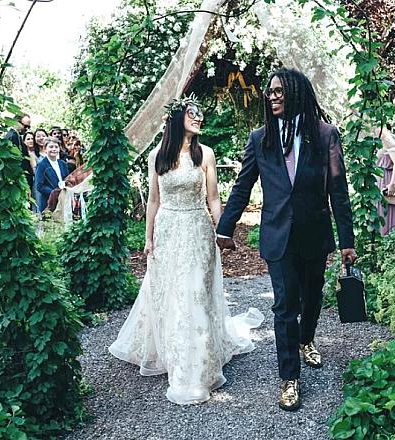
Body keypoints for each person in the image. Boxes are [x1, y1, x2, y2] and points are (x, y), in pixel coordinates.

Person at [216, 68, 356, 411]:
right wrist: (225, 227)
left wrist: (347, 241)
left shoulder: (325, 135)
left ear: (297, 92)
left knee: (311, 298)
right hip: (278, 235)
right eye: (270, 91)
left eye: (279, 91)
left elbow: (338, 190)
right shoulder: (259, 138)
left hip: (314, 234)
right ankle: (290, 378)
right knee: (283, 306)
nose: (272, 96)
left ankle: (307, 338)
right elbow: (242, 186)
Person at [109, 95, 264, 406]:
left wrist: (223, 231)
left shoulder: (205, 154)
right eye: (193, 113)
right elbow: (153, 200)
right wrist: (148, 237)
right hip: (167, 230)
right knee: (171, 293)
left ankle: (196, 363)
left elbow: (214, 199)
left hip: (196, 229)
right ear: (178, 116)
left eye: (200, 113)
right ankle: (172, 351)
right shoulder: (158, 155)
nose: (199, 118)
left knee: (195, 292)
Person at [34, 139, 70, 213]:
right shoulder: (41, 165)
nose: (54, 149)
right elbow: (39, 186)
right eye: (51, 147)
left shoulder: (62, 163)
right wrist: (55, 192)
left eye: (56, 147)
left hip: (63, 200)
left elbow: (67, 179)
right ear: (45, 149)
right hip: (48, 201)